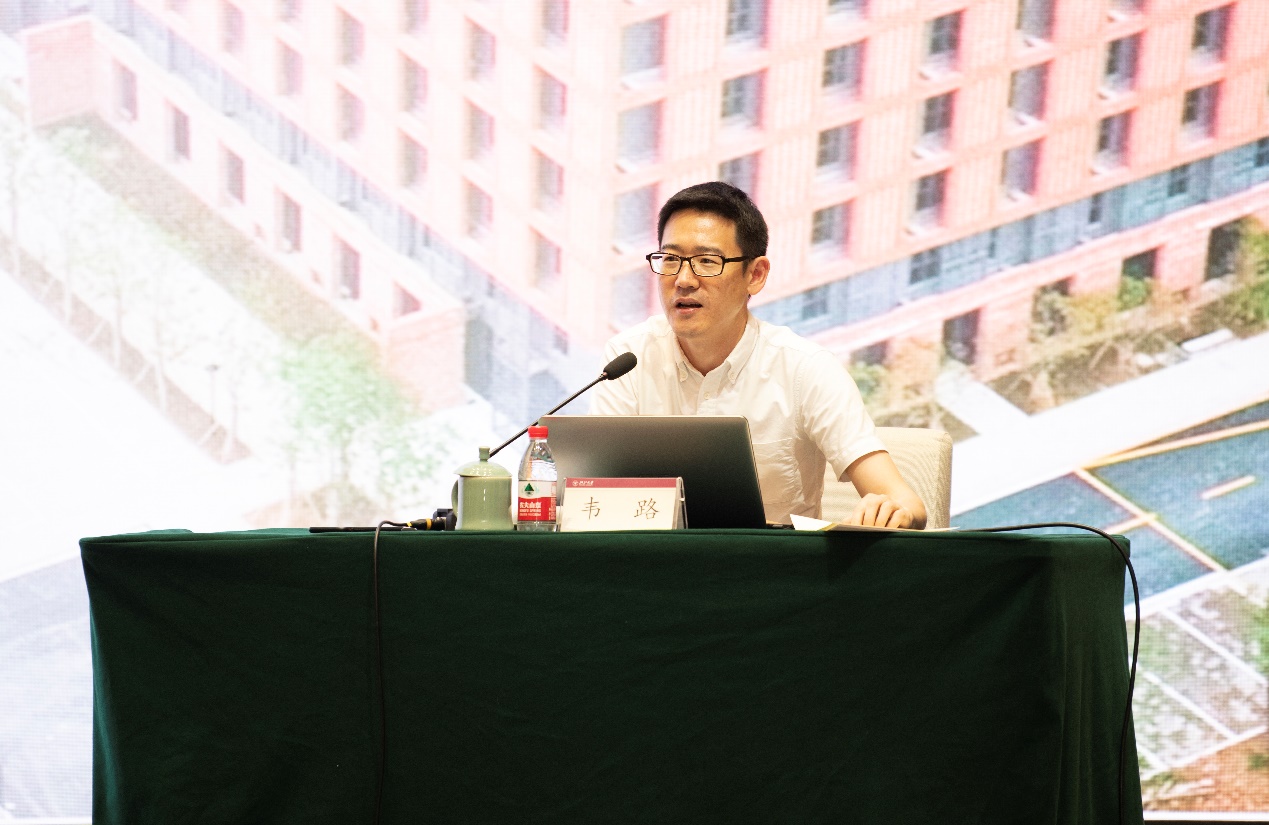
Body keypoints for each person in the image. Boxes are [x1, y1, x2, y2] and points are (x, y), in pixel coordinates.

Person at [591, 181, 927, 529]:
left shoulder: (805, 369)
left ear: (755, 275)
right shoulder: (627, 359)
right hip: (654, 558)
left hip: (776, 561)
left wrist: (893, 511)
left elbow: (906, 504)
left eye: (707, 261)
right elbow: (595, 497)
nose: (683, 280)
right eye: (671, 259)